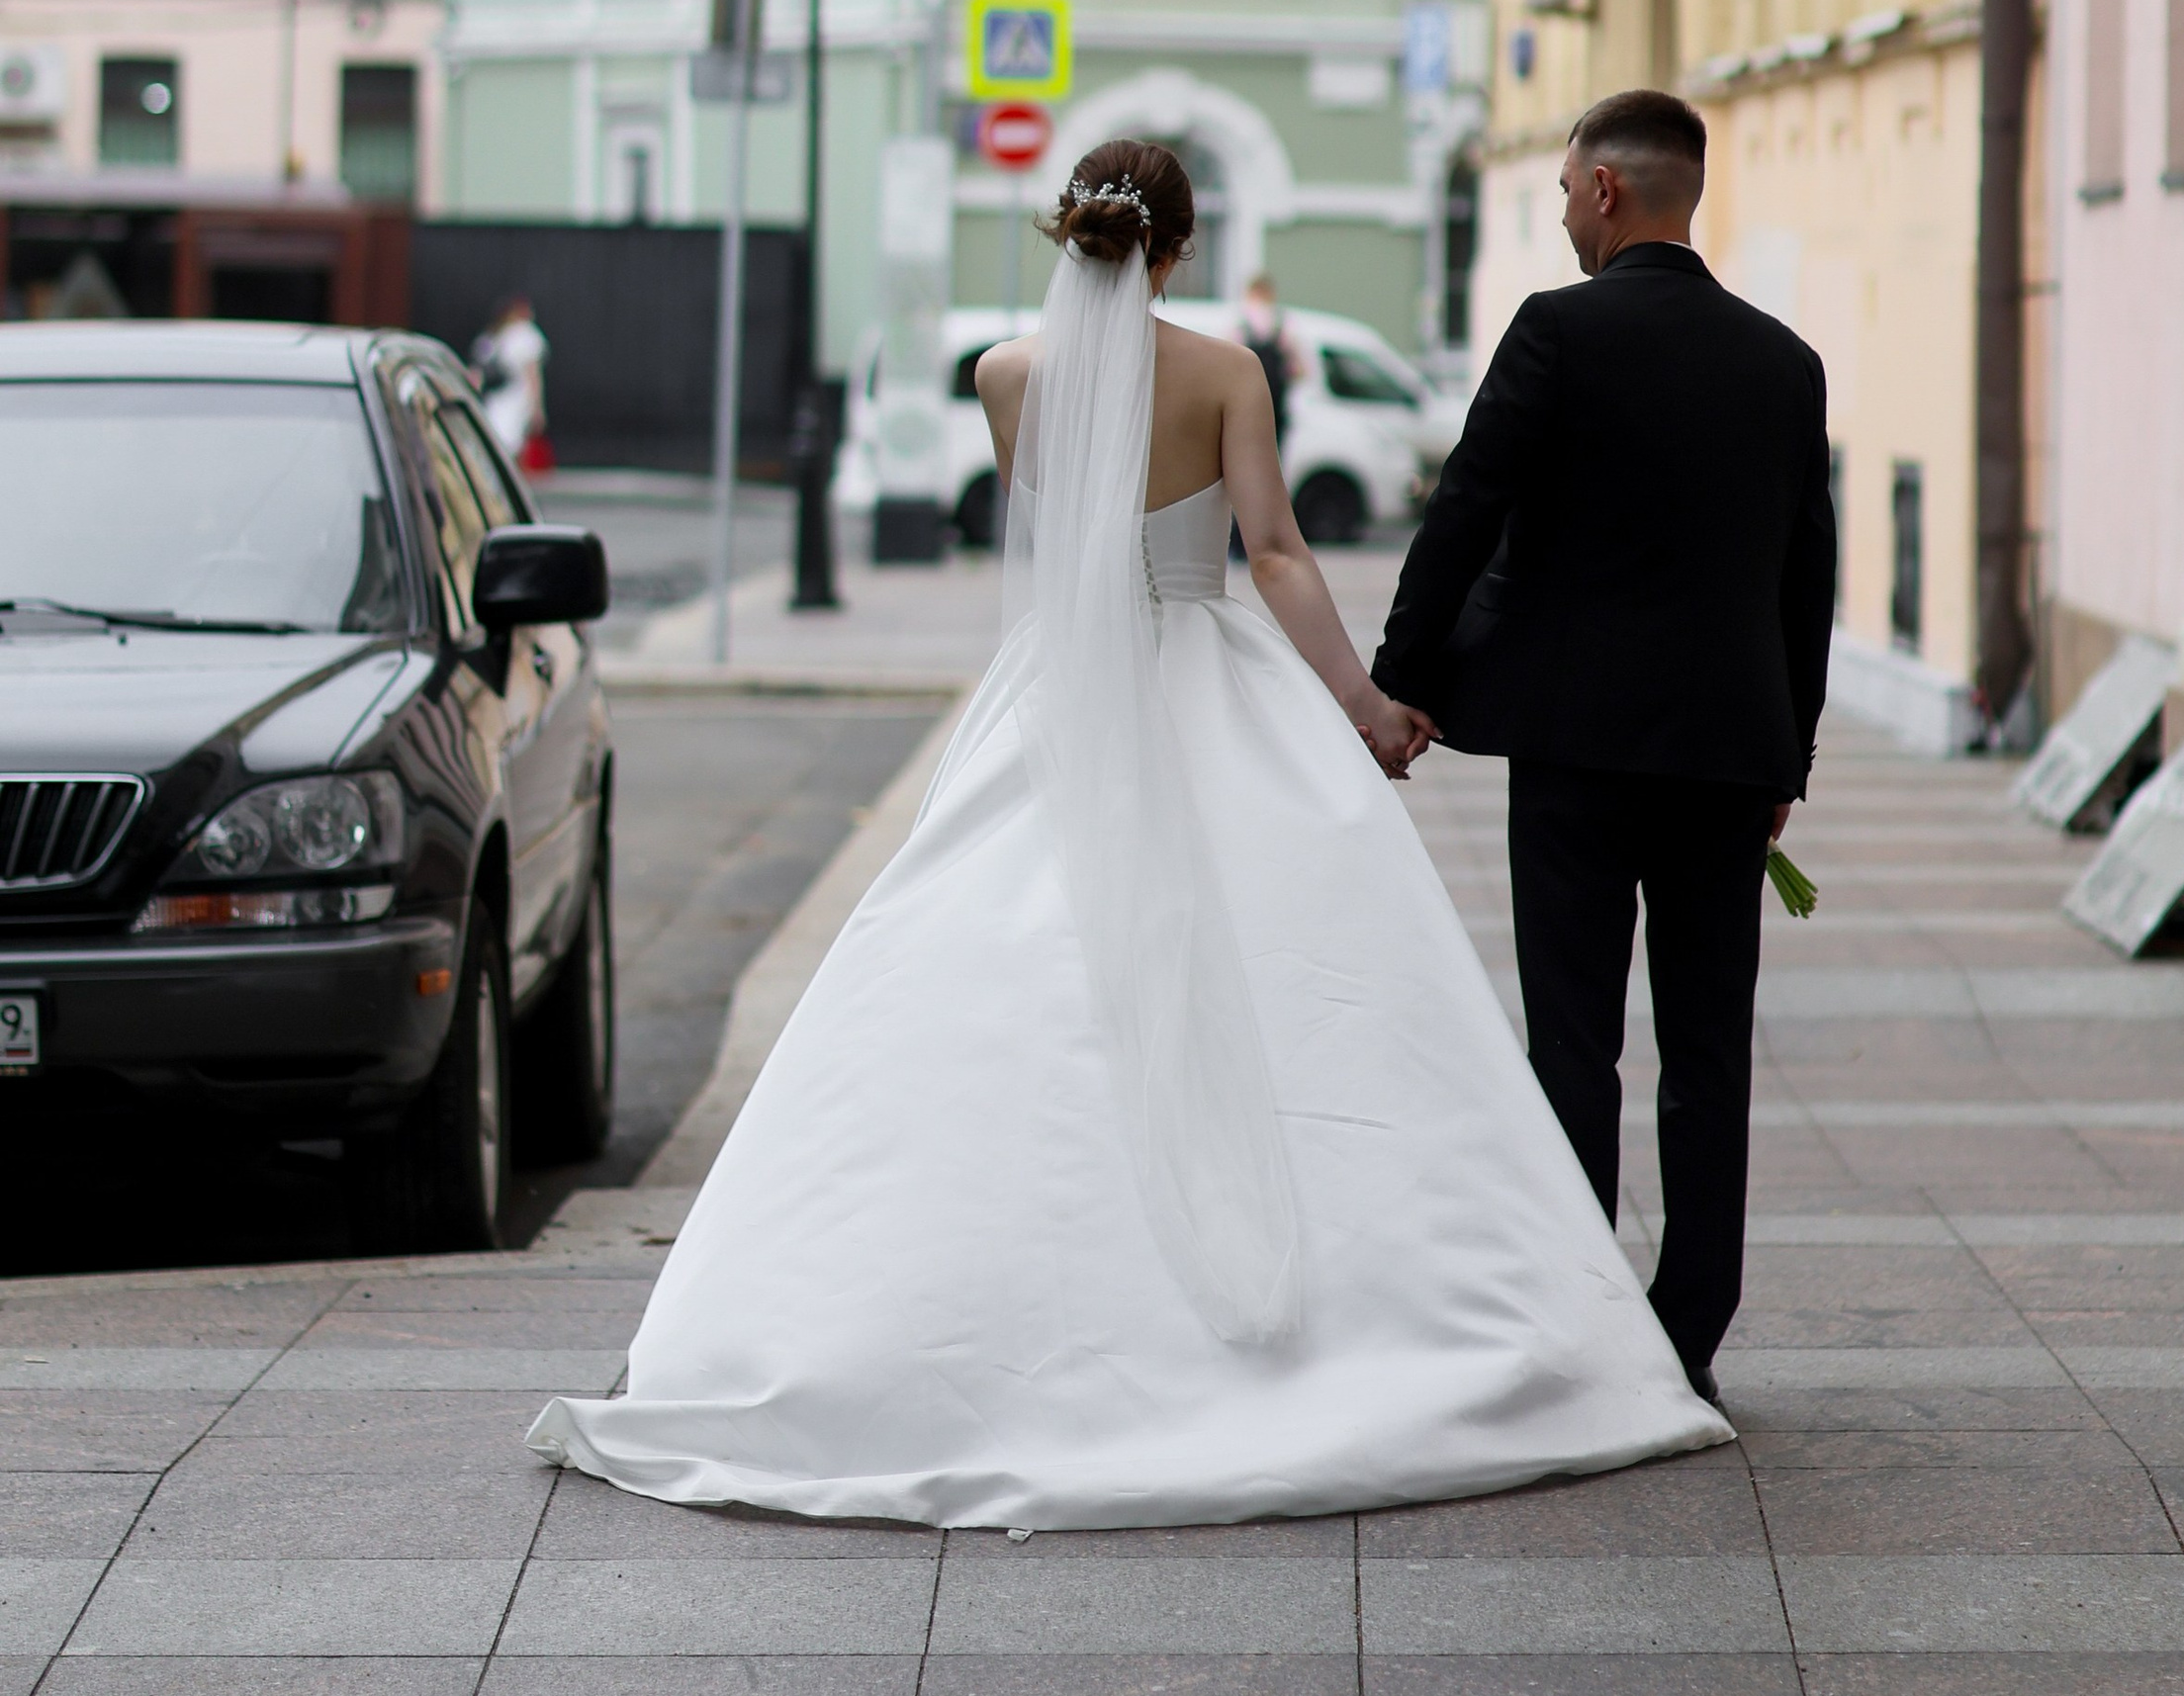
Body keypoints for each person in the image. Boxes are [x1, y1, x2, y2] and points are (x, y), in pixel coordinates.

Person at [527, 136, 1721, 1527]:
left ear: (1068, 233)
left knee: (1008, 968)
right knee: (1295, 977)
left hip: (1060, 694)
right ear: (1180, 246)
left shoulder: (1001, 377)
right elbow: (1271, 553)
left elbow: (1060, 551)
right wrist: (1366, 707)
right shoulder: (1224, 374)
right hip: (1210, 678)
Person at [1372, 89, 1836, 1414]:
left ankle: (1582, 1323)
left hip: (1573, 749)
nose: (1566, 213)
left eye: (1568, 189)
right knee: (1709, 1053)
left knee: (1572, 1043)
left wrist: (1402, 681)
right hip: (1724, 758)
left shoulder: (1556, 331)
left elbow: (1467, 506)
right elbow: (1807, 573)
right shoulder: (1783, 362)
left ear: (1608, 190)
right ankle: (1689, 1330)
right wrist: (1787, 759)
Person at [470, 296, 548, 469]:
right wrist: (537, 407)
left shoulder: (495, 336)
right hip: (509, 396)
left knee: (504, 439)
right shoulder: (520, 335)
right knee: (509, 440)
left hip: (502, 397)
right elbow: (532, 374)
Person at [1238, 270, 1293, 442]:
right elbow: (1299, 369)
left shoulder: (1240, 320)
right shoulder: (1283, 321)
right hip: (1275, 403)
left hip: (1246, 400)